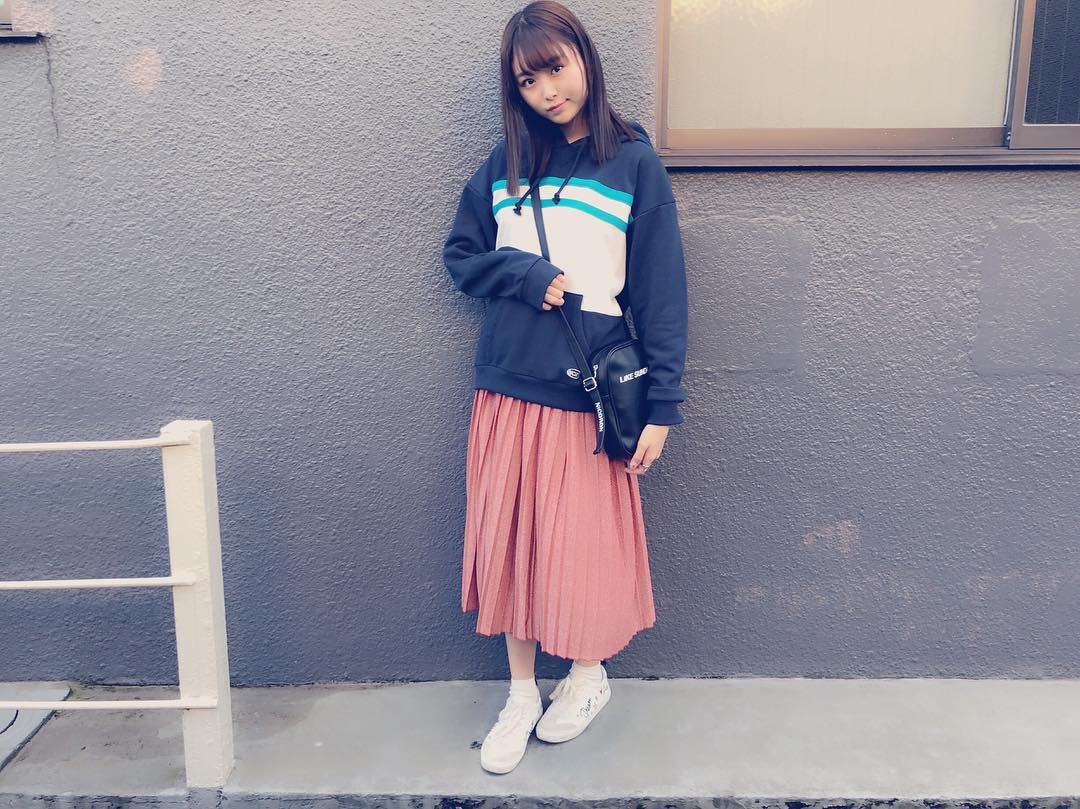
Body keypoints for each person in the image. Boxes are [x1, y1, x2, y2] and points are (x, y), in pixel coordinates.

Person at [442, 0, 689, 774]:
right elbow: (460, 255)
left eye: (555, 68)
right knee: (511, 542)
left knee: (580, 547)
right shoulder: (506, 164)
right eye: (528, 80)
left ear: (584, 57)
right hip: (507, 385)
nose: (547, 91)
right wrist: (522, 274)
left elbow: (661, 295)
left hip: (586, 392)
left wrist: (663, 406)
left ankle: (587, 675)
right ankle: (521, 692)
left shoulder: (634, 163)